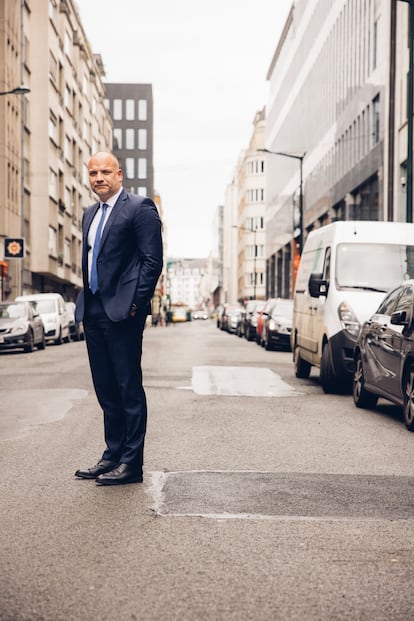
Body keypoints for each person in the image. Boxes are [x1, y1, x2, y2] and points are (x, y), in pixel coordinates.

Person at [74, 151, 163, 486]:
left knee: (128, 388)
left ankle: (131, 464)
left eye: (105, 172)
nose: (99, 177)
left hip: (122, 312)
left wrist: (134, 307)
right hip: (94, 309)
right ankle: (112, 455)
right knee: (106, 388)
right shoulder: (89, 214)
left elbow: (151, 262)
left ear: (119, 174)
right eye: (93, 172)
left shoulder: (139, 208)